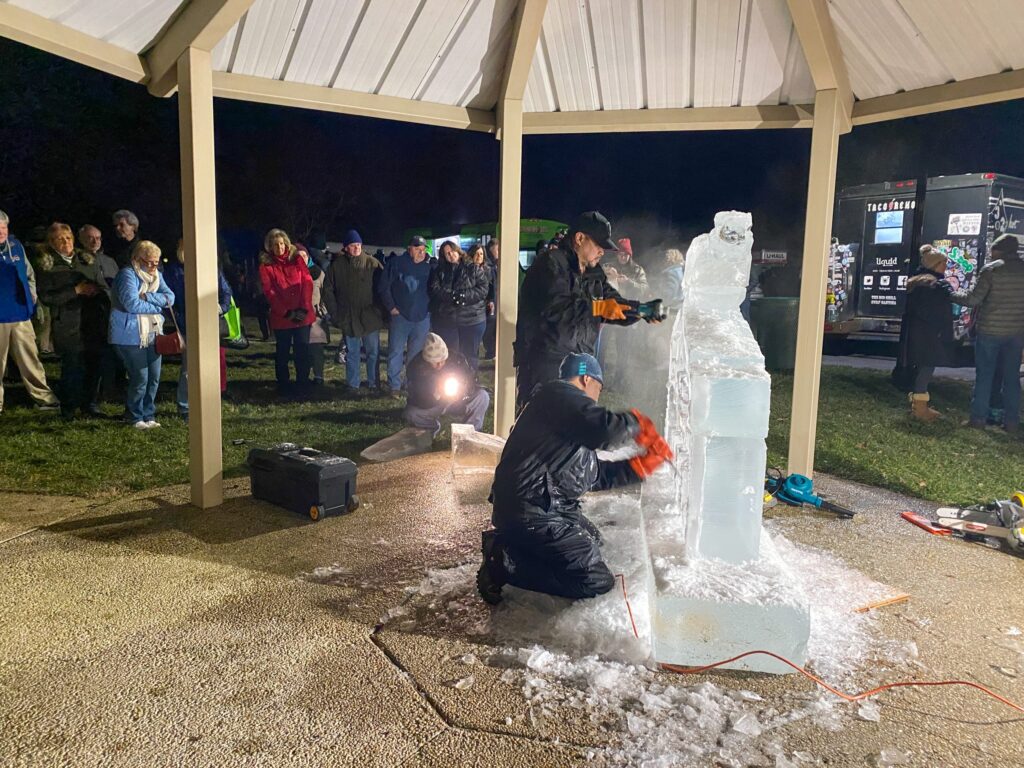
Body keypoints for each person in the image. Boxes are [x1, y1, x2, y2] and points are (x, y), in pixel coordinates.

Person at [477, 353, 670, 604]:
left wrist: (639, 467)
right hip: (529, 509)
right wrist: (637, 423)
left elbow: (589, 474)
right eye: (598, 388)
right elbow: (604, 431)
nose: (598, 398)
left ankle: (518, 547)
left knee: (594, 541)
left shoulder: (565, 419)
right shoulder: (558, 395)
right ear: (586, 378)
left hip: (544, 506)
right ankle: (504, 561)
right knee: (595, 578)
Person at [515, 211, 657, 413]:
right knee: (542, 428)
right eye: (599, 245)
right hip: (546, 364)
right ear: (580, 238)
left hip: (580, 363)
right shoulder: (550, 264)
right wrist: (599, 308)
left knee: (574, 427)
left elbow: (613, 303)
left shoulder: (593, 274)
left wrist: (641, 310)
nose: (602, 252)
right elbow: (557, 309)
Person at [35, 222, 110, 420]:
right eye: (60, 239)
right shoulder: (47, 264)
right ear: (51, 242)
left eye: (68, 238)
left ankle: (90, 404)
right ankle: (68, 408)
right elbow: (47, 297)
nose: (66, 242)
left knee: (94, 364)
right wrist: (75, 291)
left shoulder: (85, 260)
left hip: (92, 320)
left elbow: (101, 283)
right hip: (67, 323)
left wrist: (97, 290)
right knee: (72, 367)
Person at [951, 233, 1024, 434]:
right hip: (1016, 334)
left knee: (984, 375)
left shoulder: (991, 270)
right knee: (1011, 378)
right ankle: (1011, 422)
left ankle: (978, 419)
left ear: (999, 250)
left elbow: (973, 299)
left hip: (989, 332)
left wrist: (950, 294)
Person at [109, 241, 175, 429]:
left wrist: (148, 297)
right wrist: (157, 306)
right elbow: (131, 304)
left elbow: (170, 297)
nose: (154, 266)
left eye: (157, 262)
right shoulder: (127, 275)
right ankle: (134, 415)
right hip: (130, 334)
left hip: (153, 333)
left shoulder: (157, 276)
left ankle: (149, 414)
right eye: (150, 262)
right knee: (140, 377)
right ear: (137, 260)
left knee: (154, 377)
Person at [163, 240, 232, 418]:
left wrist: (220, 307)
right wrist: (178, 318)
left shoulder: (210, 268)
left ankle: (208, 403)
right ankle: (185, 406)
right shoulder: (174, 271)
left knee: (210, 365)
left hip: (209, 324)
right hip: (188, 324)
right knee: (189, 368)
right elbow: (167, 299)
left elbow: (225, 292)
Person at [0, 210, 60, 414]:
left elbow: (28, 273)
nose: (1, 231)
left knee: (30, 358)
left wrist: (31, 296)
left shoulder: (16, 246)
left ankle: (44, 398)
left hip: (20, 314)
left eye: (4, 227)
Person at [324, 229, 387, 395]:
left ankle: (374, 383)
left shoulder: (372, 263)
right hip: (348, 316)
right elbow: (328, 290)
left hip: (370, 316)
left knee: (373, 351)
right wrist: (335, 313)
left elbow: (382, 289)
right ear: (346, 248)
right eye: (352, 245)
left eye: (358, 245)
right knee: (352, 352)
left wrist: (380, 311)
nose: (356, 248)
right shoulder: (336, 266)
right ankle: (353, 384)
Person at [895, 245, 954, 421]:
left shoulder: (917, 281)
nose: (946, 266)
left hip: (917, 331)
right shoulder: (934, 285)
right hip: (929, 332)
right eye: (944, 263)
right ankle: (920, 408)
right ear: (936, 264)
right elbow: (939, 312)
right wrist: (945, 331)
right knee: (927, 366)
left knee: (922, 365)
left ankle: (918, 405)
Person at [258, 229, 315, 396]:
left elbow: (306, 282)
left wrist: (304, 308)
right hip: (282, 317)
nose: (279, 248)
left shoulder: (297, 260)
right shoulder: (266, 266)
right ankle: (283, 385)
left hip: (302, 314)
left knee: (302, 351)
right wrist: (286, 312)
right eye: (275, 245)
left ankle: (302, 383)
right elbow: (270, 292)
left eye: (281, 244)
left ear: (287, 244)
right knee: (282, 352)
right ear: (270, 247)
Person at [378, 234, 432, 398]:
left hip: (421, 317)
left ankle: (411, 384)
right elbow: (383, 286)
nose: (421, 253)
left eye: (423, 250)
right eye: (418, 249)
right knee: (396, 351)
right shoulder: (396, 264)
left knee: (416, 354)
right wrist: (391, 307)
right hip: (400, 316)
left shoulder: (428, 267)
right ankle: (394, 385)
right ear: (410, 249)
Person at [404, 333, 490, 435]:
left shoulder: (457, 359)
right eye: (435, 362)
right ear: (427, 360)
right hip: (432, 403)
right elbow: (417, 398)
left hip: (458, 400)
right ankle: (428, 430)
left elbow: (471, 380)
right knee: (411, 413)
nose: (440, 364)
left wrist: (463, 388)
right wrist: (435, 393)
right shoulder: (416, 367)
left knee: (482, 396)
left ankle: (471, 434)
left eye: (442, 360)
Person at [454, 243, 493, 370]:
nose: (478, 256)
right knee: (461, 350)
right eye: (476, 253)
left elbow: (485, 291)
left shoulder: (487, 271)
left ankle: (471, 377)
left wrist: (463, 296)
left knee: (472, 351)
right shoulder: (463, 269)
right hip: (461, 315)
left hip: (477, 315)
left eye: (481, 254)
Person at [428, 240, 462, 349]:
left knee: (456, 349)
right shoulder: (439, 270)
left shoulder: (466, 268)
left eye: (452, 251)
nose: (451, 255)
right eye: (447, 253)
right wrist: (452, 296)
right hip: (442, 315)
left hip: (460, 316)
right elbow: (435, 288)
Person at [305, 250, 330, 386]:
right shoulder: (295, 273)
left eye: (304, 256)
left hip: (316, 317)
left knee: (316, 349)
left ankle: (318, 376)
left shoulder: (319, 273)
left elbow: (325, 294)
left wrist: (323, 311)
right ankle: (303, 375)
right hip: (300, 317)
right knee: (303, 349)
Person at [482, 238, 500, 360]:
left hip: (495, 300)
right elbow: (489, 285)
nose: (499, 251)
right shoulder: (488, 266)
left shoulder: (495, 264)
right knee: (490, 326)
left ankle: (493, 351)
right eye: (497, 249)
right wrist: (490, 300)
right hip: (491, 301)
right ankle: (490, 351)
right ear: (491, 249)